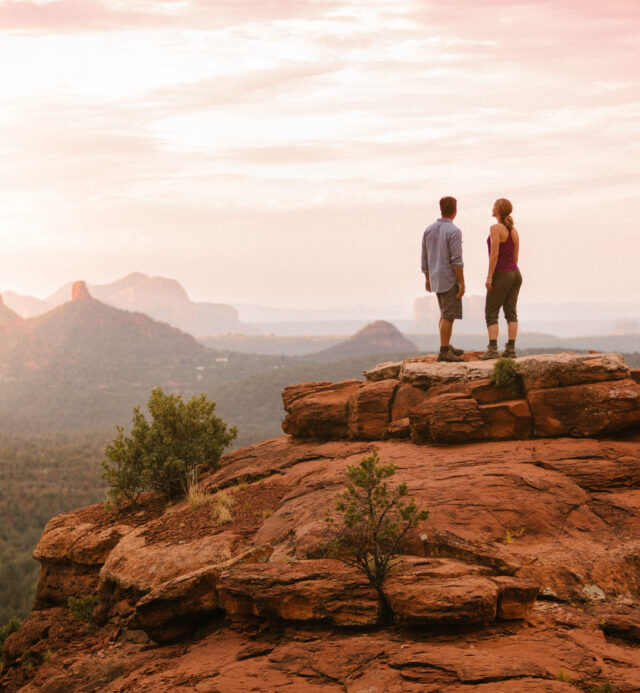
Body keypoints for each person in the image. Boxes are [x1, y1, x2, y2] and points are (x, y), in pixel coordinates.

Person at [421, 196, 466, 362]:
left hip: (435, 277)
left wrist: (427, 278)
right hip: (448, 278)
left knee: (444, 313)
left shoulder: (429, 229)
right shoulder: (454, 231)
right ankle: (444, 352)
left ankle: (445, 345)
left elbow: (424, 257)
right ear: (455, 210)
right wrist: (461, 282)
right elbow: (457, 260)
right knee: (448, 315)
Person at [478, 198, 522, 360]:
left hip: (502, 273)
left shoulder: (496, 228)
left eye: (494, 206)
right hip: (515, 274)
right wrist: (510, 271)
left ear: (498, 210)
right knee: (511, 312)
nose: (492, 207)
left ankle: (492, 349)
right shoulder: (514, 231)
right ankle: (510, 349)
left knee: (491, 312)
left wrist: (490, 276)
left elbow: (494, 254)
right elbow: (515, 256)